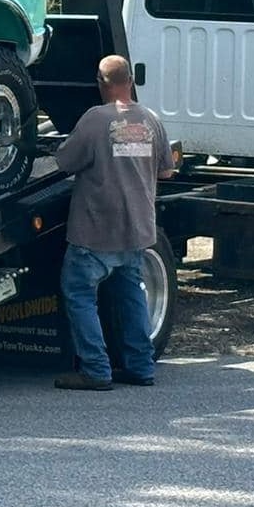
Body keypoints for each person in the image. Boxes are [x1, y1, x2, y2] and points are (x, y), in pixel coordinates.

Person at [52, 54, 175, 391]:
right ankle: (140, 367)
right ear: (131, 81)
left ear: (101, 83)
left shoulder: (96, 119)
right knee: (131, 295)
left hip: (95, 232)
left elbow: (64, 160)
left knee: (79, 294)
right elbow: (166, 170)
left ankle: (95, 369)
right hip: (136, 230)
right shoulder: (151, 120)